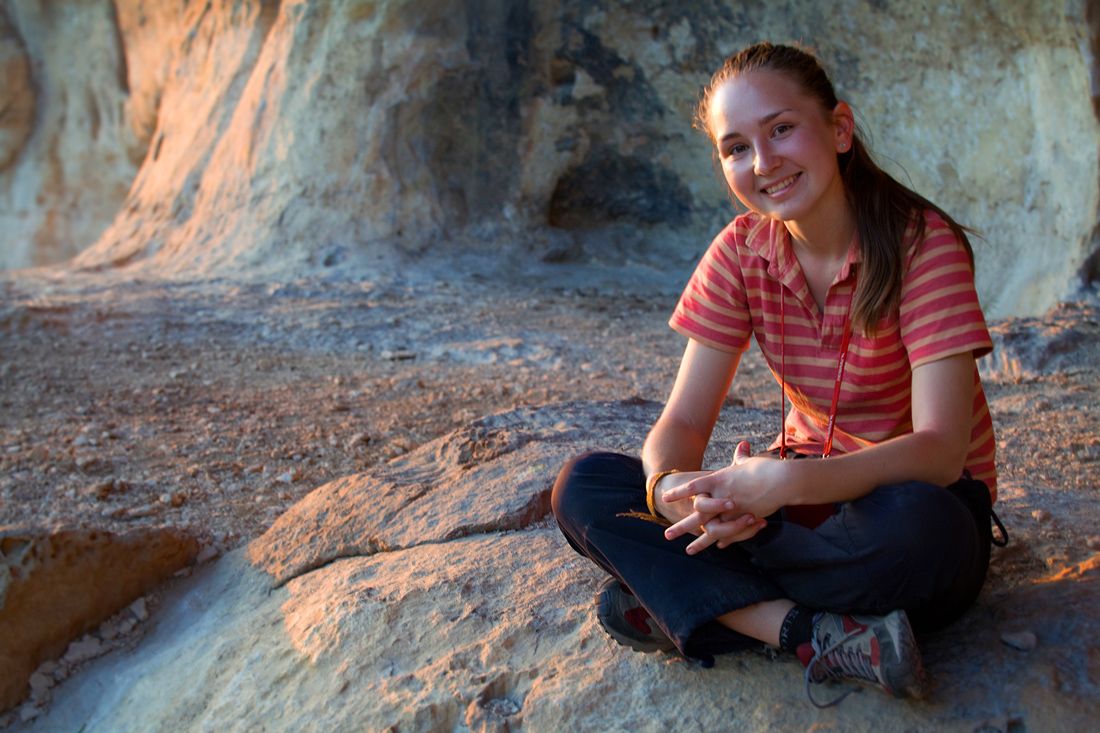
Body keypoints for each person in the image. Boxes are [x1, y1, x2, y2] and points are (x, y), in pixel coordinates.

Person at [550, 41, 1004, 707]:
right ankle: (808, 631)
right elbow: (683, 422)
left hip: (906, 512)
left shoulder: (922, 245)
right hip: (795, 515)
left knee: (919, 530)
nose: (763, 163)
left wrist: (781, 482)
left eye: (782, 129)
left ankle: (697, 599)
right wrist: (672, 489)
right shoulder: (740, 251)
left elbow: (940, 452)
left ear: (839, 129)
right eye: (736, 147)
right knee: (585, 485)